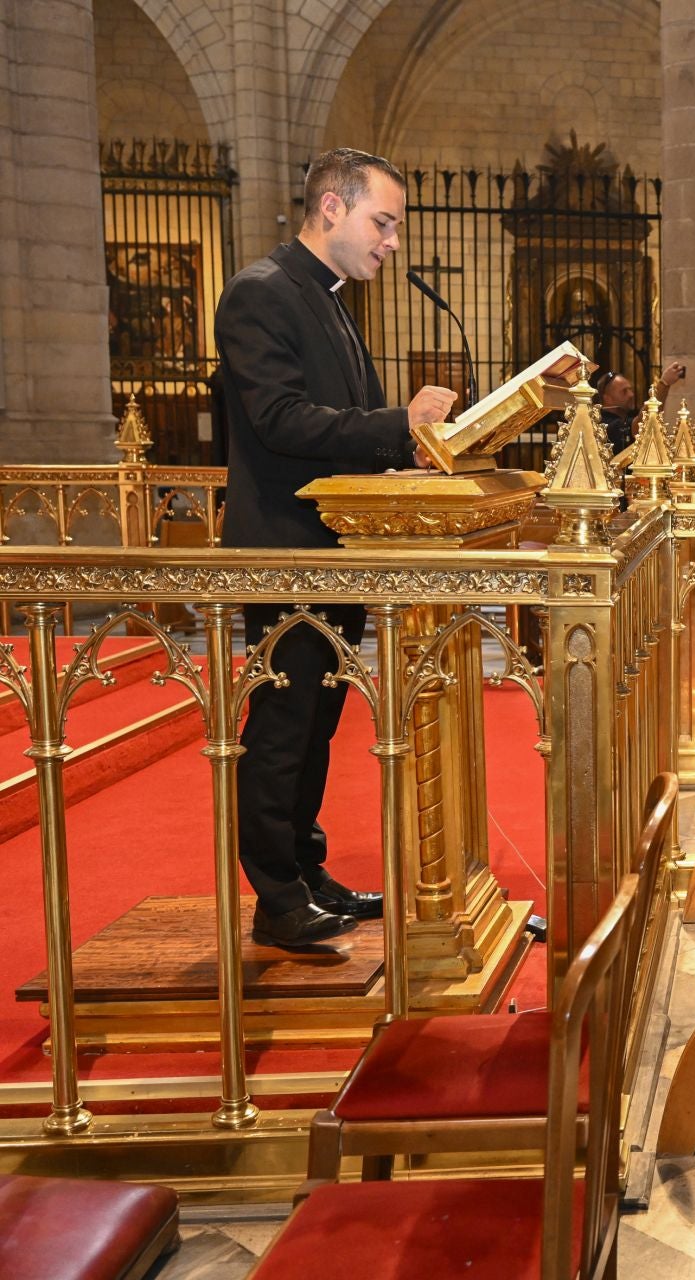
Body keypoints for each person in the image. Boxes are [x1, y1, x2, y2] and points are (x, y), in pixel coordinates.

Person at [215, 147, 454, 949]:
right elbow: (280, 421)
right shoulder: (259, 295)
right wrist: (399, 425)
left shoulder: (330, 299)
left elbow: (341, 427)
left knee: (318, 720)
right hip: (285, 547)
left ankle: (306, 870)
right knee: (284, 723)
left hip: (337, 544)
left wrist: (410, 446)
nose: (392, 241)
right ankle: (276, 897)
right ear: (330, 209)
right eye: (383, 222)